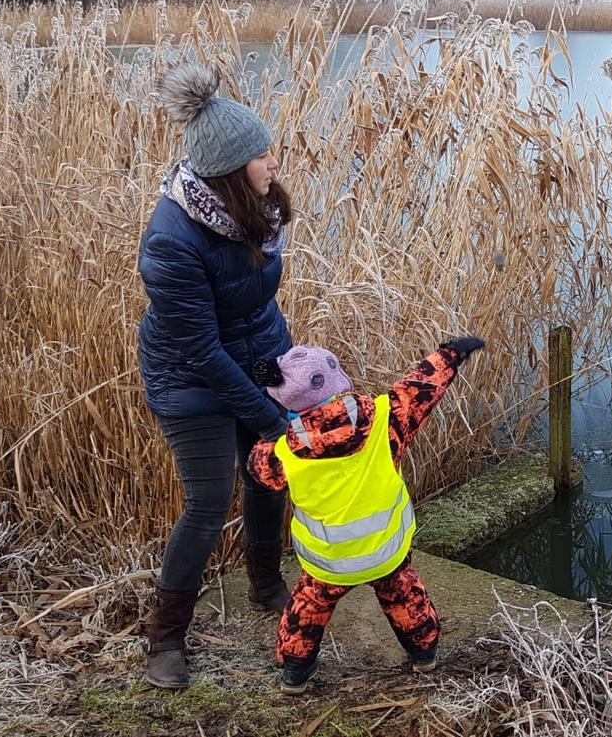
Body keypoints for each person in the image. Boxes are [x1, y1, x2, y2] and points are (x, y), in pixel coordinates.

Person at [139, 64, 296, 690]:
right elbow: (201, 351)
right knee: (207, 503)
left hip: (257, 355)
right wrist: (266, 414)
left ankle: (265, 585)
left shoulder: (255, 208)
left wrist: (283, 368)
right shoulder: (170, 241)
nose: (273, 161)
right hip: (190, 378)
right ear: (231, 171)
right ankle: (165, 639)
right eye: (262, 155)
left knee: (266, 477)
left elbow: (255, 302)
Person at [246, 337, 485, 694]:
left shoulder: (282, 454)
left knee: (308, 607)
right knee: (404, 595)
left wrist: (268, 439)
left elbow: (257, 469)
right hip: (386, 553)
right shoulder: (386, 419)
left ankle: (295, 673)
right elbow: (424, 383)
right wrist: (453, 352)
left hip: (327, 563)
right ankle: (425, 656)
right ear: (338, 378)